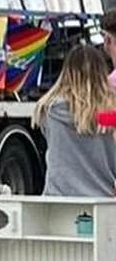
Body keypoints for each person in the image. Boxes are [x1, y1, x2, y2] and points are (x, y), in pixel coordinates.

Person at [32, 44, 116, 198]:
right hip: (103, 200)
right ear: (101, 72)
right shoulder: (110, 113)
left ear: (66, 72)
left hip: (58, 200)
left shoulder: (49, 111)